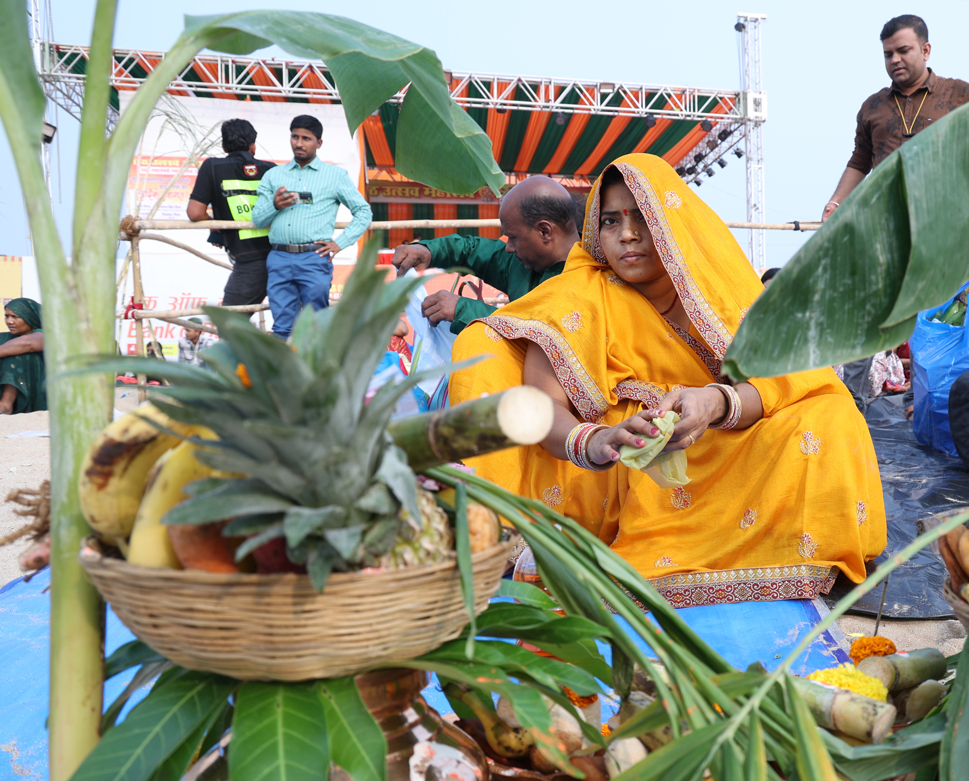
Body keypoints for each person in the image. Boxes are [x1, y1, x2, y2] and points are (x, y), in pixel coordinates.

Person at [449, 153, 886, 606]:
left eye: (642, 217)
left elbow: (789, 378)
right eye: (611, 221)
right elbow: (542, 408)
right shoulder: (578, 294)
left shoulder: (717, 286)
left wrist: (714, 402)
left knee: (831, 415)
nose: (627, 234)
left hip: (716, 447)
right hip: (621, 469)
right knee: (480, 343)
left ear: (671, 219)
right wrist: (600, 441)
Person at [822, 15, 969, 221]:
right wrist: (836, 203)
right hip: (885, 222)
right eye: (888, 54)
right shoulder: (873, 106)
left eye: (903, 51)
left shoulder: (961, 94)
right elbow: (860, 162)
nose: (894, 59)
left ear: (926, 51)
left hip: (947, 220)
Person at [391, 176, 581, 335]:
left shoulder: (588, 281)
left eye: (513, 238)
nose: (509, 248)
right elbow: (472, 250)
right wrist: (429, 250)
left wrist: (465, 311)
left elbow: (541, 336)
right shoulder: (523, 264)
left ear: (545, 231)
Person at [252, 114, 372, 339]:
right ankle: (285, 363)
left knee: (316, 325)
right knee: (282, 327)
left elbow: (364, 212)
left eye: (306, 138)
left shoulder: (335, 175)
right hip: (279, 257)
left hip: (314, 257)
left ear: (319, 143)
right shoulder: (273, 175)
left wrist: (340, 243)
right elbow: (258, 219)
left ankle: (314, 362)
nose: (299, 143)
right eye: (295, 137)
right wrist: (275, 206)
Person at [187, 119, 276, 308]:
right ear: (253, 147)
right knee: (290, 320)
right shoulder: (271, 169)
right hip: (283, 256)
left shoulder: (212, 167)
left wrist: (216, 225)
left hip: (249, 261)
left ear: (224, 146)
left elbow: (195, 213)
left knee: (230, 322)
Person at [0, 298, 44, 414]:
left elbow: (27, 344)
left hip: (38, 387)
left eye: (15, 317)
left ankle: (5, 405)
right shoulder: (4, 337)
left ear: (29, 317)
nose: (9, 321)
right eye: (7, 316)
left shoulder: (43, 334)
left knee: (17, 353)